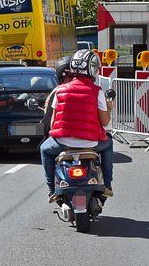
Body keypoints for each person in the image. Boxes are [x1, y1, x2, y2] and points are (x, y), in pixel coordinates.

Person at [40, 50, 114, 203]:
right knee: (108, 145)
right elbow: (105, 122)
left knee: (45, 150)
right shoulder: (97, 92)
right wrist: (108, 109)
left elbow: (53, 122)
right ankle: (107, 185)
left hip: (63, 143)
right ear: (93, 69)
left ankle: (52, 190)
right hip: (90, 143)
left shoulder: (59, 90)